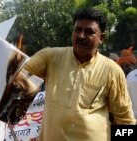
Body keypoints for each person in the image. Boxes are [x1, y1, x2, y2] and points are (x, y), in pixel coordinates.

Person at [20, 8, 136, 141]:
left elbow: (125, 120)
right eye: (78, 30)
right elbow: (18, 76)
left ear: (101, 38)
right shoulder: (50, 57)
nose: (81, 36)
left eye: (89, 32)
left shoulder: (112, 70)